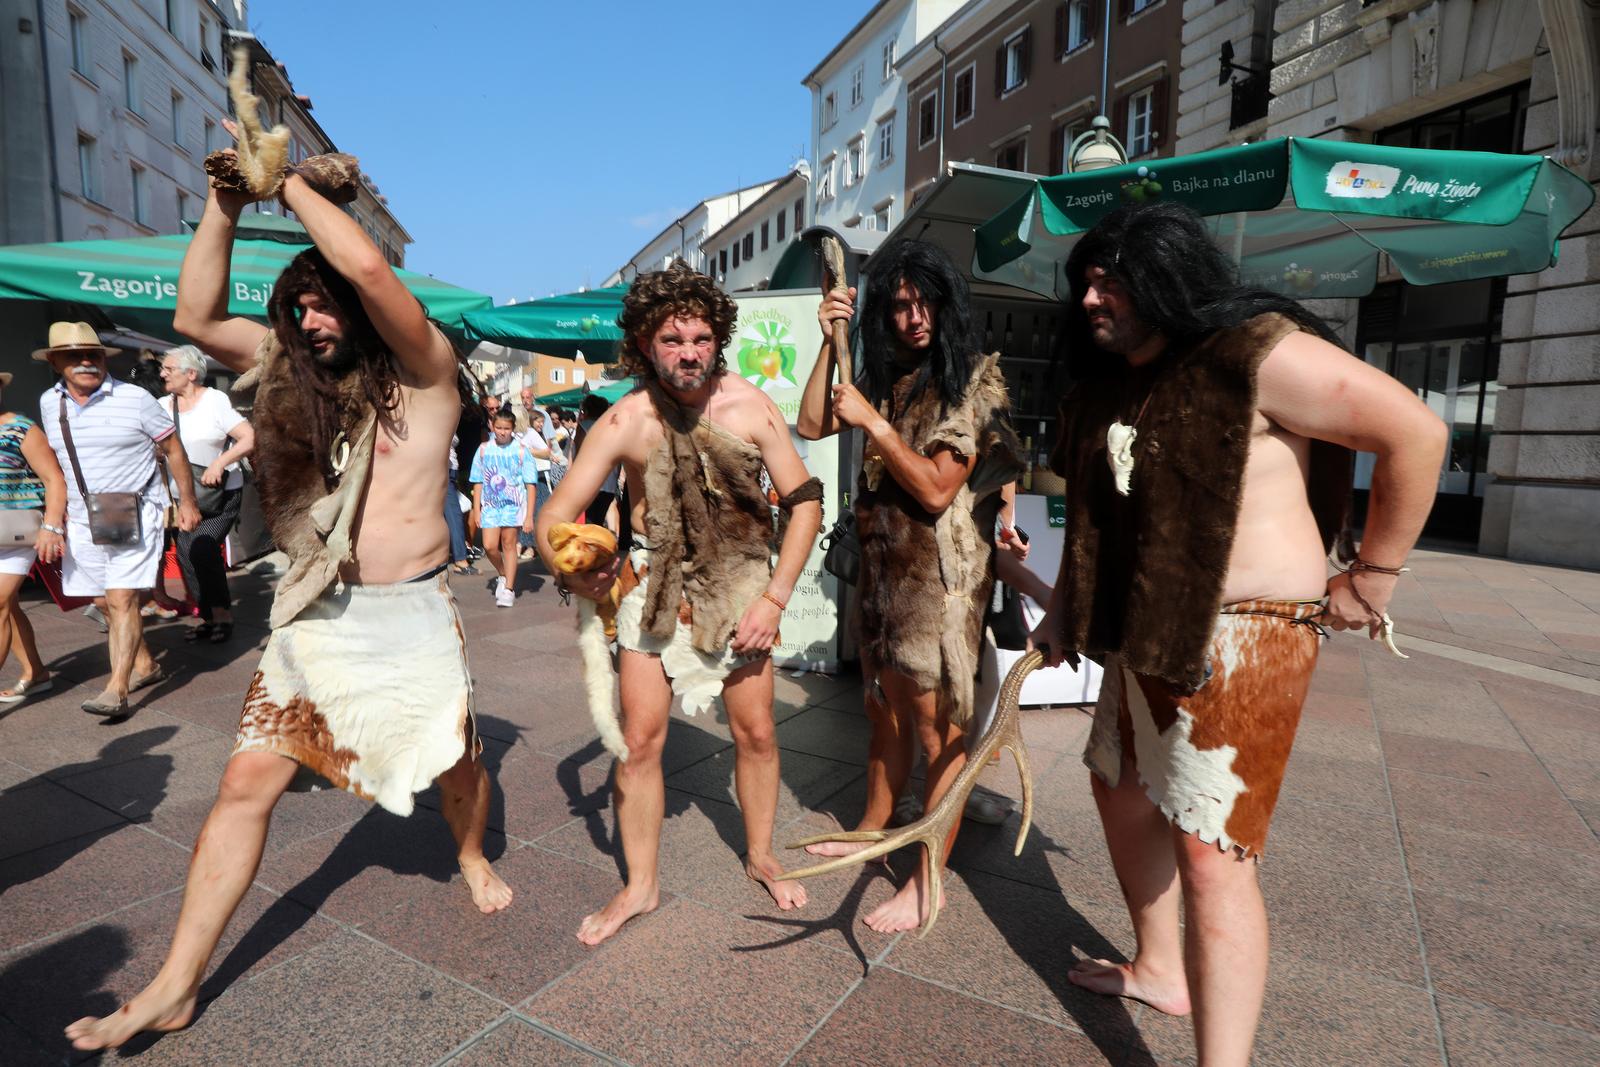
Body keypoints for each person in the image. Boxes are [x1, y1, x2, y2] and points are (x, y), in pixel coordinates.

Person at [64, 139, 510, 1052]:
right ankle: (177, 983)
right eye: (295, 307)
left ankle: (467, 851)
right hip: (317, 618)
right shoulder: (290, 371)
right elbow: (194, 313)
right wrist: (226, 201)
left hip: (411, 615)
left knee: (455, 768)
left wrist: (292, 185)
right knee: (243, 785)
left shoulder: (424, 374)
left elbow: (369, 265)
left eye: (321, 305)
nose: (308, 321)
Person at [1029, 202, 1446, 1066]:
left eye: (1111, 279)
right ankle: (1160, 969)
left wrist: (1373, 577)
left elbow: (1416, 431)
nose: (1091, 299)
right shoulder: (1114, 381)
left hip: (1244, 638)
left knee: (1214, 855)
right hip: (1145, 629)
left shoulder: (1254, 349)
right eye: (1086, 281)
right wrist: (1065, 608)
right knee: (1120, 789)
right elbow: (1093, 506)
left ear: (1166, 274)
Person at [536, 260, 823, 946]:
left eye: (699, 337)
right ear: (643, 342)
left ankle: (760, 852)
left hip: (741, 593)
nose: (689, 351)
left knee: (755, 734)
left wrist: (775, 599)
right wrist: (574, 571)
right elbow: (555, 517)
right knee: (640, 745)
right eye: (671, 339)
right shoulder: (627, 419)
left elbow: (807, 503)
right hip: (653, 597)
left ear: (717, 336)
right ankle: (640, 885)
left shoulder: (750, 406)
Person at [796, 239, 1021, 933]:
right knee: (883, 714)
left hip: (942, 591)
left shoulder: (976, 385)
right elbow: (810, 422)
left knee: (936, 732)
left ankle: (930, 879)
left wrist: (870, 421)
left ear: (947, 304)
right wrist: (825, 342)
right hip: (883, 583)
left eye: (924, 302)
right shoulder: (893, 381)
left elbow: (933, 487)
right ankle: (872, 826)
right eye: (899, 305)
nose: (912, 317)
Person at [35, 322, 201, 717]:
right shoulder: (48, 402)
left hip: (132, 511)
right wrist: (55, 520)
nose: (87, 362)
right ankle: (146, 664)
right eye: (75, 356)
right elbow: (55, 468)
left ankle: (116, 689)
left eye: (93, 354)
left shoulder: (135, 398)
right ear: (56, 362)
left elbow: (173, 448)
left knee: (122, 597)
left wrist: (187, 502)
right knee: (101, 600)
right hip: (81, 517)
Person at [158, 345, 255, 643]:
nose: (162, 373)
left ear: (191, 374)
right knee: (186, 553)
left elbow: (249, 438)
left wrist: (220, 462)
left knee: (201, 548)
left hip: (220, 493)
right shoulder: (162, 406)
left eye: (169, 369)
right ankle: (208, 615)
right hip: (183, 496)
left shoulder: (214, 400)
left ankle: (222, 615)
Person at [0, 371, 68, 705]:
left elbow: (54, 478)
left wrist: (52, 526)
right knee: (7, 607)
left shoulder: (21, 428)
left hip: (14, 532)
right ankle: (36, 672)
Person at [469, 409, 536, 607]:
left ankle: (509, 589)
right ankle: (502, 574)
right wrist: (477, 509)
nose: (502, 432)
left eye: (506, 428)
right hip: (490, 505)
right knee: (489, 546)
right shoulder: (483, 449)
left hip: (513, 505)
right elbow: (478, 481)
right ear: (492, 426)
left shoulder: (522, 451)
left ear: (513, 429)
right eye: (498, 427)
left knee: (509, 543)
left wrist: (529, 516)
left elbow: (530, 484)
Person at [517, 407, 557, 559]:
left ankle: (534, 546)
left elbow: (546, 452)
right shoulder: (516, 433)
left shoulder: (531, 433)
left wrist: (525, 450)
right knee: (527, 512)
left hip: (539, 475)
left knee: (537, 512)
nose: (541, 425)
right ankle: (526, 545)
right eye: (539, 422)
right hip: (524, 477)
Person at [575, 394, 619, 528]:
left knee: (590, 521)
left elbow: (579, 453)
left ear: (586, 410)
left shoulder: (584, 426)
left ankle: (591, 547)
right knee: (598, 521)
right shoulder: (614, 428)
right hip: (610, 481)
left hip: (590, 480)